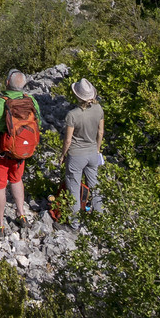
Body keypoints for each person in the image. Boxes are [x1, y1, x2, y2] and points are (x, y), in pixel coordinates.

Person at [0, 68, 39, 233]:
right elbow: (38, 125)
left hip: (0, 151)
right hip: (21, 151)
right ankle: (21, 214)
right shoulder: (31, 101)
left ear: (7, 83)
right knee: (16, 179)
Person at [62, 77, 105, 225]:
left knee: (73, 188)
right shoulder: (99, 109)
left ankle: (74, 225)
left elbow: (68, 140)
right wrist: (97, 149)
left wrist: (62, 155)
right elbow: (100, 132)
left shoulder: (72, 115)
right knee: (95, 186)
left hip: (76, 154)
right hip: (92, 152)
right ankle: (99, 220)